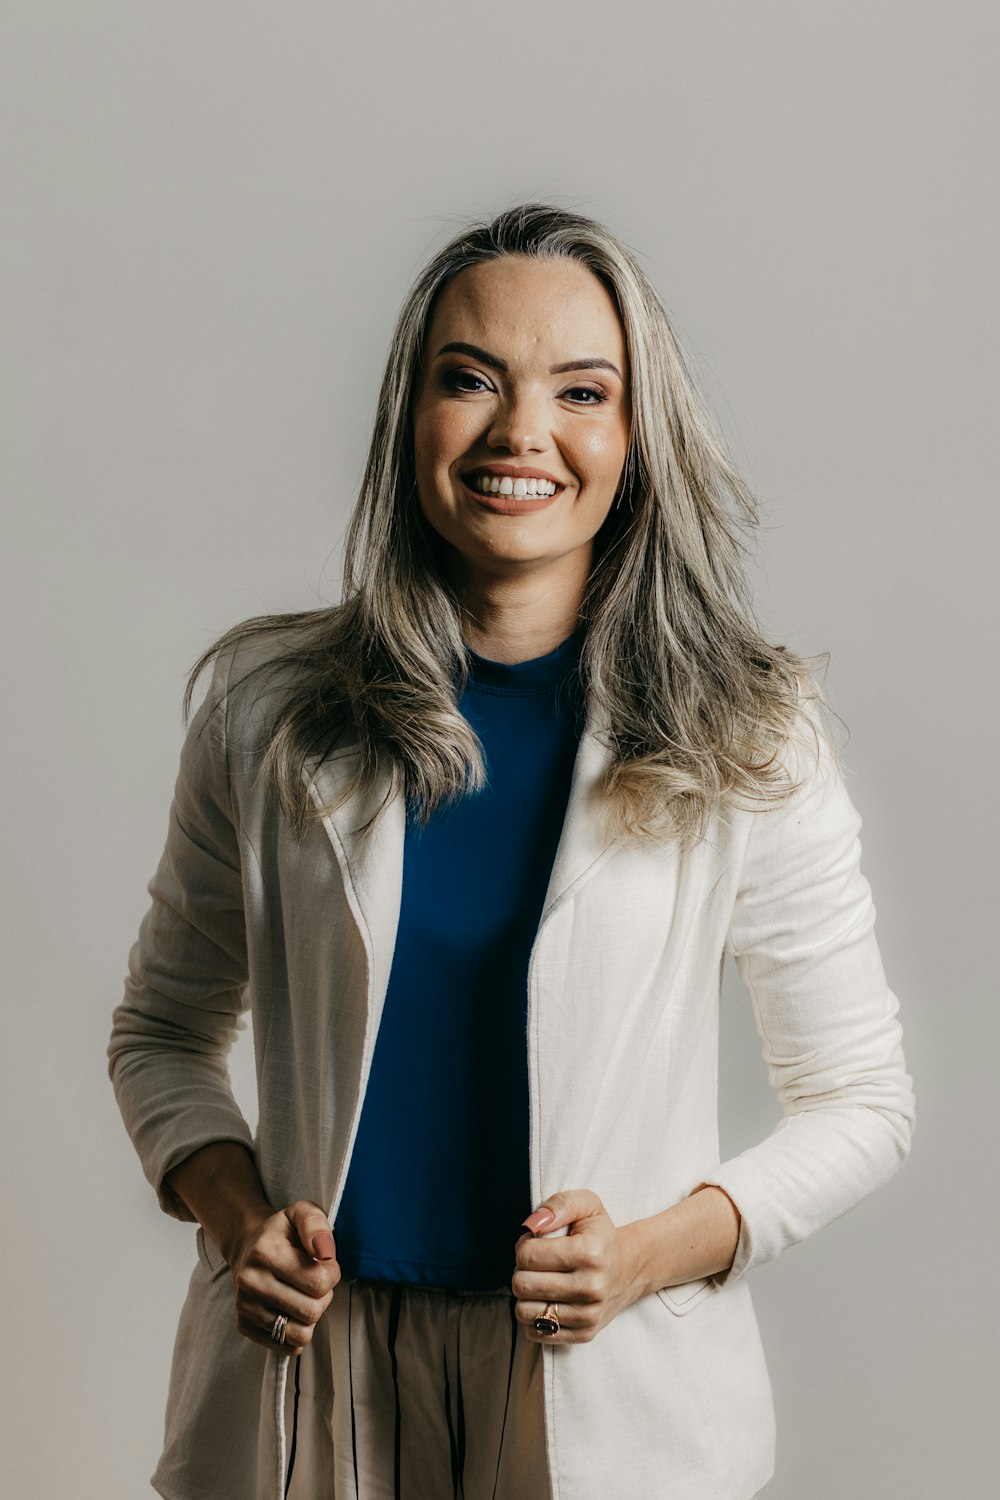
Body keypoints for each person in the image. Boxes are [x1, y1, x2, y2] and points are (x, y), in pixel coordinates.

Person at [109, 202, 914, 1500]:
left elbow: (863, 1101)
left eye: (579, 392)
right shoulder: (266, 711)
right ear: (407, 416)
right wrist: (239, 1217)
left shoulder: (752, 736)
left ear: (635, 440)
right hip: (315, 1382)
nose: (520, 432)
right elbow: (160, 1033)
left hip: (602, 1390)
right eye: (469, 380)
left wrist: (649, 1252)